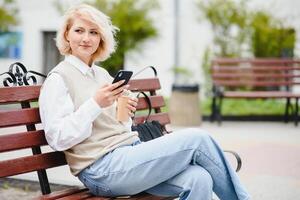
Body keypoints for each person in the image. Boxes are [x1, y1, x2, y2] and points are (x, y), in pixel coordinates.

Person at [39, 4, 250, 200]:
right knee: (198, 139)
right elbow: (58, 139)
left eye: (93, 32)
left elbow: (117, 128)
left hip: (130, 156)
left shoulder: (101, 74)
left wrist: (124, 112)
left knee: (199, 178)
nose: (86, 38)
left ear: (100, 39)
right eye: (79, 30)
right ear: (66, 34)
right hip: (101, 169)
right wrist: (95, 104)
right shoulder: (58, 79)